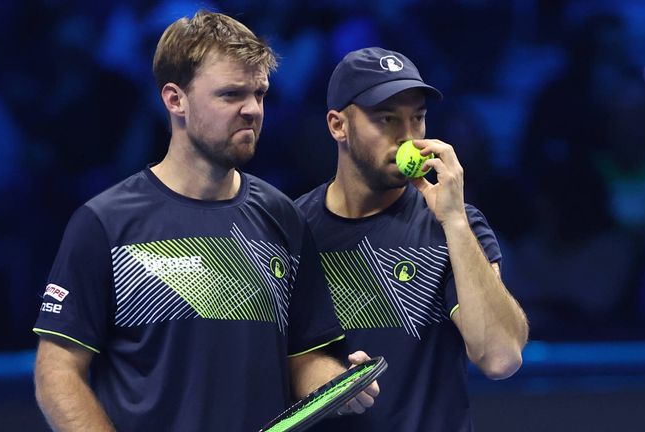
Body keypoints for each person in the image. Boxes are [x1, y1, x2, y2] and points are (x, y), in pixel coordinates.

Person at [32, 11, 376, 432]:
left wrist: (336, 384)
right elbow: (57, 374)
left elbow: (303, 358)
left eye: (260, 94)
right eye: (231, 95)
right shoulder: (104, 223)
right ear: (175, 99)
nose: (252, 110)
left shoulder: (283, 216)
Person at [296, 47, 529, 430]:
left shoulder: (457, 226)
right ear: (338, 125)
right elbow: (280, 358)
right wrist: (324, 380)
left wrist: (453, 220)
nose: (407, 138)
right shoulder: (293, 228)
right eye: (386, 119)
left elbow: (500, 357)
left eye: (417, 118)